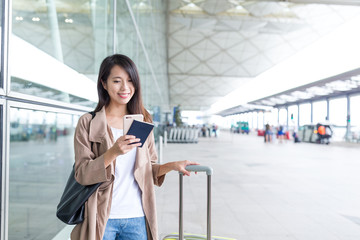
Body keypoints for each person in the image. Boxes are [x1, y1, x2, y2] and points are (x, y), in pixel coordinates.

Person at [71, 54, 198, 240]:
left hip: (137, 216)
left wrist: (171, 166)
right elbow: (82, 174)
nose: (125, 88)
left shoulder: (143, 122)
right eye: (117, 81)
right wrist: (113, 152)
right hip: (102, 217)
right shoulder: (88, 122)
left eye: (130, 81)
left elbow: (148, 170)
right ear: (104, 84)